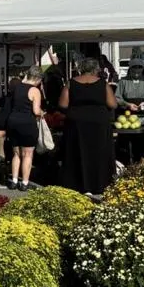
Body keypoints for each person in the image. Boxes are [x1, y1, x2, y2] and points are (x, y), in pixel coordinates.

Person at [58, 57, 117, 195]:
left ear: (81, 69)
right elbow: (112, 104)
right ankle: (99, 184)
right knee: (99, 153)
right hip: (99, 122)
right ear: (96, 69)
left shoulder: (71, 83)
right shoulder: (103, 84)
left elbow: (63, 104)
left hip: (77, 122)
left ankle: (79, 184)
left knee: (77, 152)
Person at [4, 67, 44, 191]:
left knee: (16, 153)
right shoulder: (35, 90)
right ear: (38, 79)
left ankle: (14, 181)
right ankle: (25, 183)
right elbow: (36, 111)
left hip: (13, 122)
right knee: (27, 154)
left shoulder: (17, 87)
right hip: (27, 123)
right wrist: (42, 113)